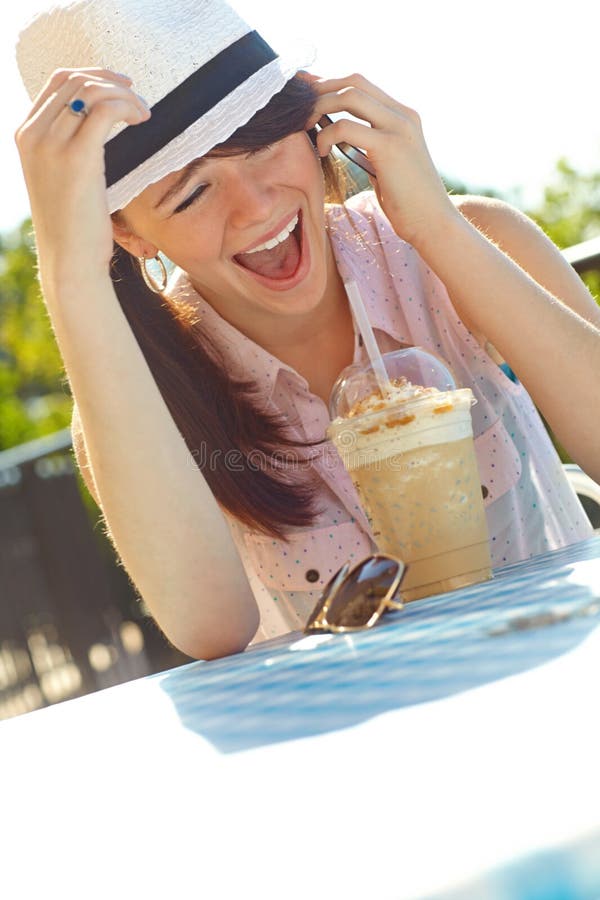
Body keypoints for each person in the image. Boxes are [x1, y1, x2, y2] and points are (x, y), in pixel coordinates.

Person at [15, 0, 600, 659]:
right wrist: (71, 278)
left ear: (314, 127)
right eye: (190, 193)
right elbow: (211, 626)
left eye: (263, 145)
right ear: (127, 232)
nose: (256, 207)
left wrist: (436, 226)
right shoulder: (132, 401)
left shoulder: (469, 245)